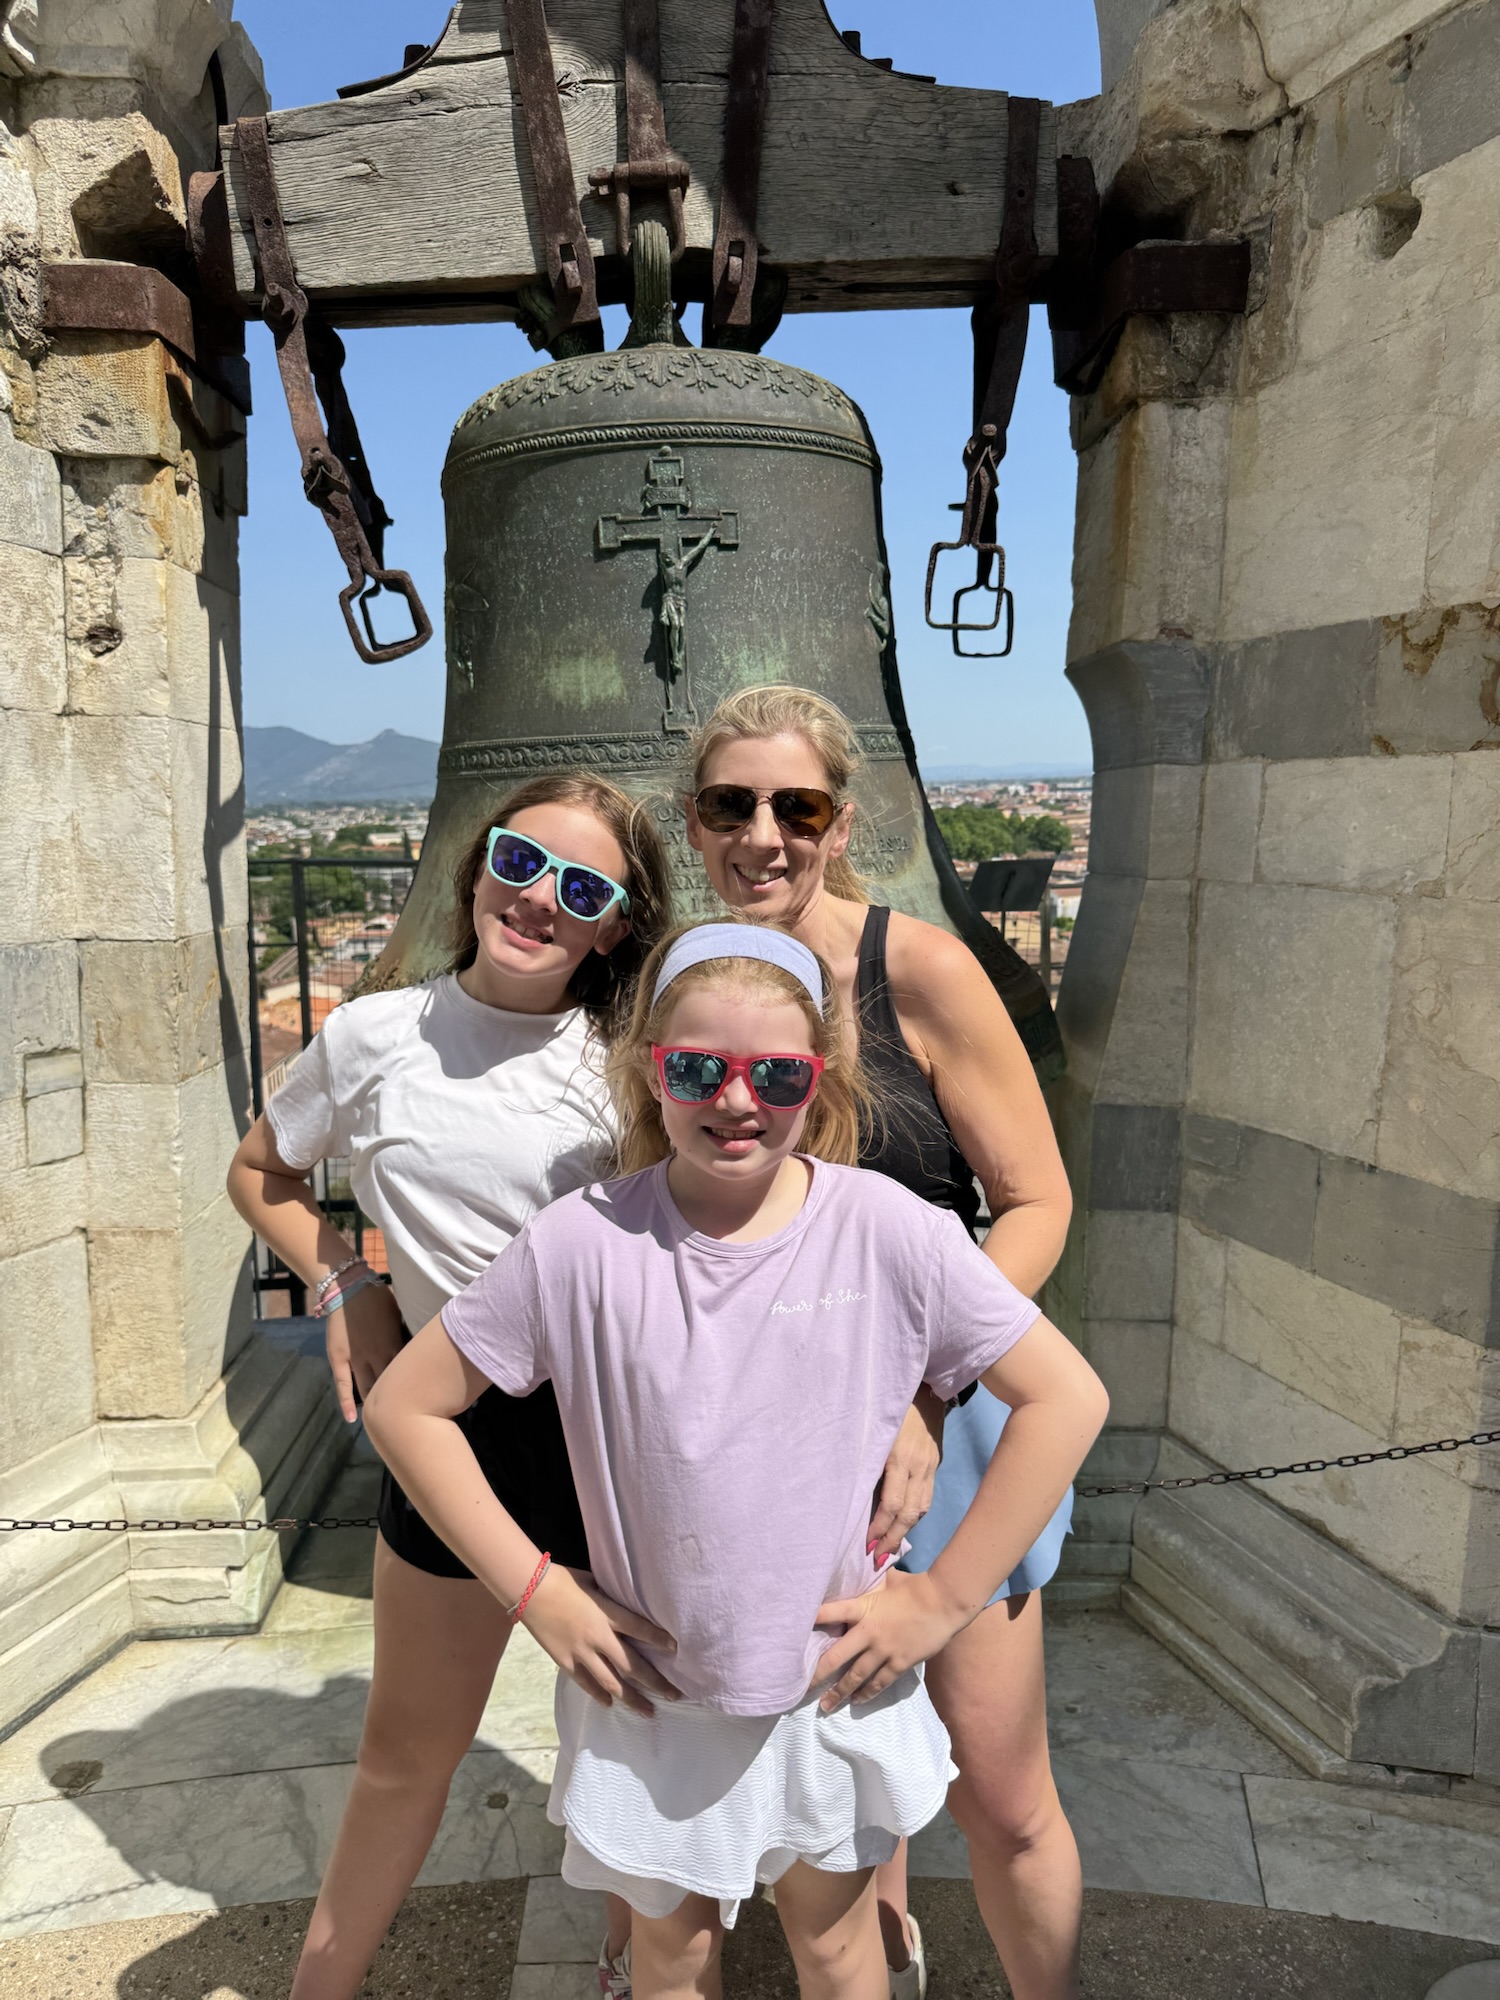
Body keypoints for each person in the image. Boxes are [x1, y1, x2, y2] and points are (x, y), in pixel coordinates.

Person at [362, 922, 1108, 2000]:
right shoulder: (581, 1241)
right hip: (652, 1694)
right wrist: (532, 1588)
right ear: (649, 1069)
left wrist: (942, 1598)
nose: (737, 1098)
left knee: (838, 1946)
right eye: (698, 1068)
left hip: (826, 1689)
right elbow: (407, 1404)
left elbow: (1065, 1395)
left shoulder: (888, 1229)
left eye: (779, 1072)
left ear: (822, 1079)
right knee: (672, 1953)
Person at [226, 773, 678, 2000]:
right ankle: (324, 1984)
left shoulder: (635, 1056)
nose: (539, 900)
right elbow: (264, 1170)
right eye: (522, 862)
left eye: (583, 889)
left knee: (645, 1737)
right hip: (454, 1427)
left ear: (617, 926)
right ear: (477, 865)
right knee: (404, 1751)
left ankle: (639, 1961)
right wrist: (346, 1282)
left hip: (623, 1436)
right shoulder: (374, 1036)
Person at [685, 687, 1082, 2000]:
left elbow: (1035, 1204)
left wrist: (921, 1384)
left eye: (794, 808)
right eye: (730, 806)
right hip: (770, 1441)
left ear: (838, 821)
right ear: (695, 826)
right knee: (854, 1808)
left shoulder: (915, 970)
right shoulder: (695, 987)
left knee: (1002, 1791)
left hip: (942, 1423)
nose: (763, 836)